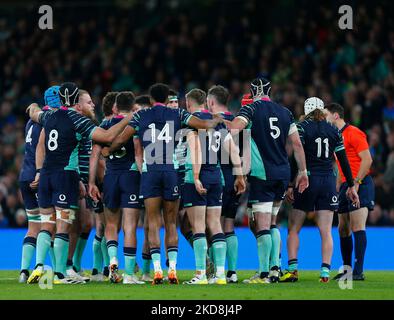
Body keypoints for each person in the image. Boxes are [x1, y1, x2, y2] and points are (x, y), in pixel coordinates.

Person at [103, 83, 224, 285]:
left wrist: (108, 150)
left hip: (150, 172)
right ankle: (173, 271)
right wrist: (216, 120)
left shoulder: (142, 116)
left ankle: (157, 269)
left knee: (152, 222)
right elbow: (202, 125)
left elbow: (122, 139)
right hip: (170, 171)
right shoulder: (178, 115)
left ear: (150, 99)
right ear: (167, 100)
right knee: (171, 223)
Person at [26, 82, 133, 284]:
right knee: (64, 225)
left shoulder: (49, 115)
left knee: (47, 224)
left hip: (46, 175)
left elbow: (34, 113)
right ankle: (58, 274)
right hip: (65, 176)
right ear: (76, 101)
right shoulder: (78, 120)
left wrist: (32, 106)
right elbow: (108, 136)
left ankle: (39, 266)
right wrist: (129, 118)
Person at [226, 78, 309, 284]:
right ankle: (274, 269)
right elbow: (297, 145)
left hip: (263, 173)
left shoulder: (251, 110)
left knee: (261, 223)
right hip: (283, 173)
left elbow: (234, 130)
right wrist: (303, 171)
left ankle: (264, 274)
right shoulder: (285, 112)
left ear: (253, 92)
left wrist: (222, 121)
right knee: (272, 222)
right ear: (270, 92)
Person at [280, 97, 359, 283]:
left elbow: (295, 157)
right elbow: (343, 160)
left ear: (306, 110)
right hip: (328, 182)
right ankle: (325, 272)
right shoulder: (334, 130)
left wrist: (291, 184)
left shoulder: (300, 127)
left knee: (294, 228)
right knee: (326, 231)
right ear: (322, 110)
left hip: (306, 179)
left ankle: (292, 270)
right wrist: (351, 185)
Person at [182, 88, 246, 285]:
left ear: (188, 103)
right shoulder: (217, 123)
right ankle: (220, 275)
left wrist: (195, 176)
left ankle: (201, 274)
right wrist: (240, 174)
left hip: (199, 175)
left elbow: (196, 151)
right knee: (215, 224)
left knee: (198, 226)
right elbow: (232, 149)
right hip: (217, 176)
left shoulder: (194, 122)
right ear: (205, 102)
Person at [325, 103, 374, 281]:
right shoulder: (335, 136)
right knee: (342, 228)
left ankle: (358, 271)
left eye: (326, 115)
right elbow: (340, 165)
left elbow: (367, 160)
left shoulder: (354, 132)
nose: (324, 118)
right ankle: (347, 270)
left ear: (336, 116)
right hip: (345, 185)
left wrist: (357, 183)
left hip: (361, 184)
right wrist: (338, 184)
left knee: (357, 225)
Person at [100, 92, 145, 285]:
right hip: (130, 176)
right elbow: (137, 153)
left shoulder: (104, 126)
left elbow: (96, 155)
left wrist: (93, 182)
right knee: (130, 227)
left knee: (110, 224)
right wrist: (145, 176)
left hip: (110, 176)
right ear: (133, 106)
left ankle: (112, 261)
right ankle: (129, 275)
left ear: (115, 107)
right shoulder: (135, 124)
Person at [18, 85, 61, 283]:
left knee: (33, 226)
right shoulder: (50, 121)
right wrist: (40, 173)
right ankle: (50, 270)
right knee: (48, 225)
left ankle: (23, 271)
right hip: (39, 176)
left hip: (24, 177)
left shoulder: (30, 121)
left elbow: (33, 109)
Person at [207, 85, 242, 283]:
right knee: (228, 224)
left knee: (213, 224)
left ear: (211, 102)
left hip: (217, 176)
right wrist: (240, 176)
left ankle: (215, 270)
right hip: (236, 177)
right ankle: (232, 272)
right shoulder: (239, 121)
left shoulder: (212, 122)